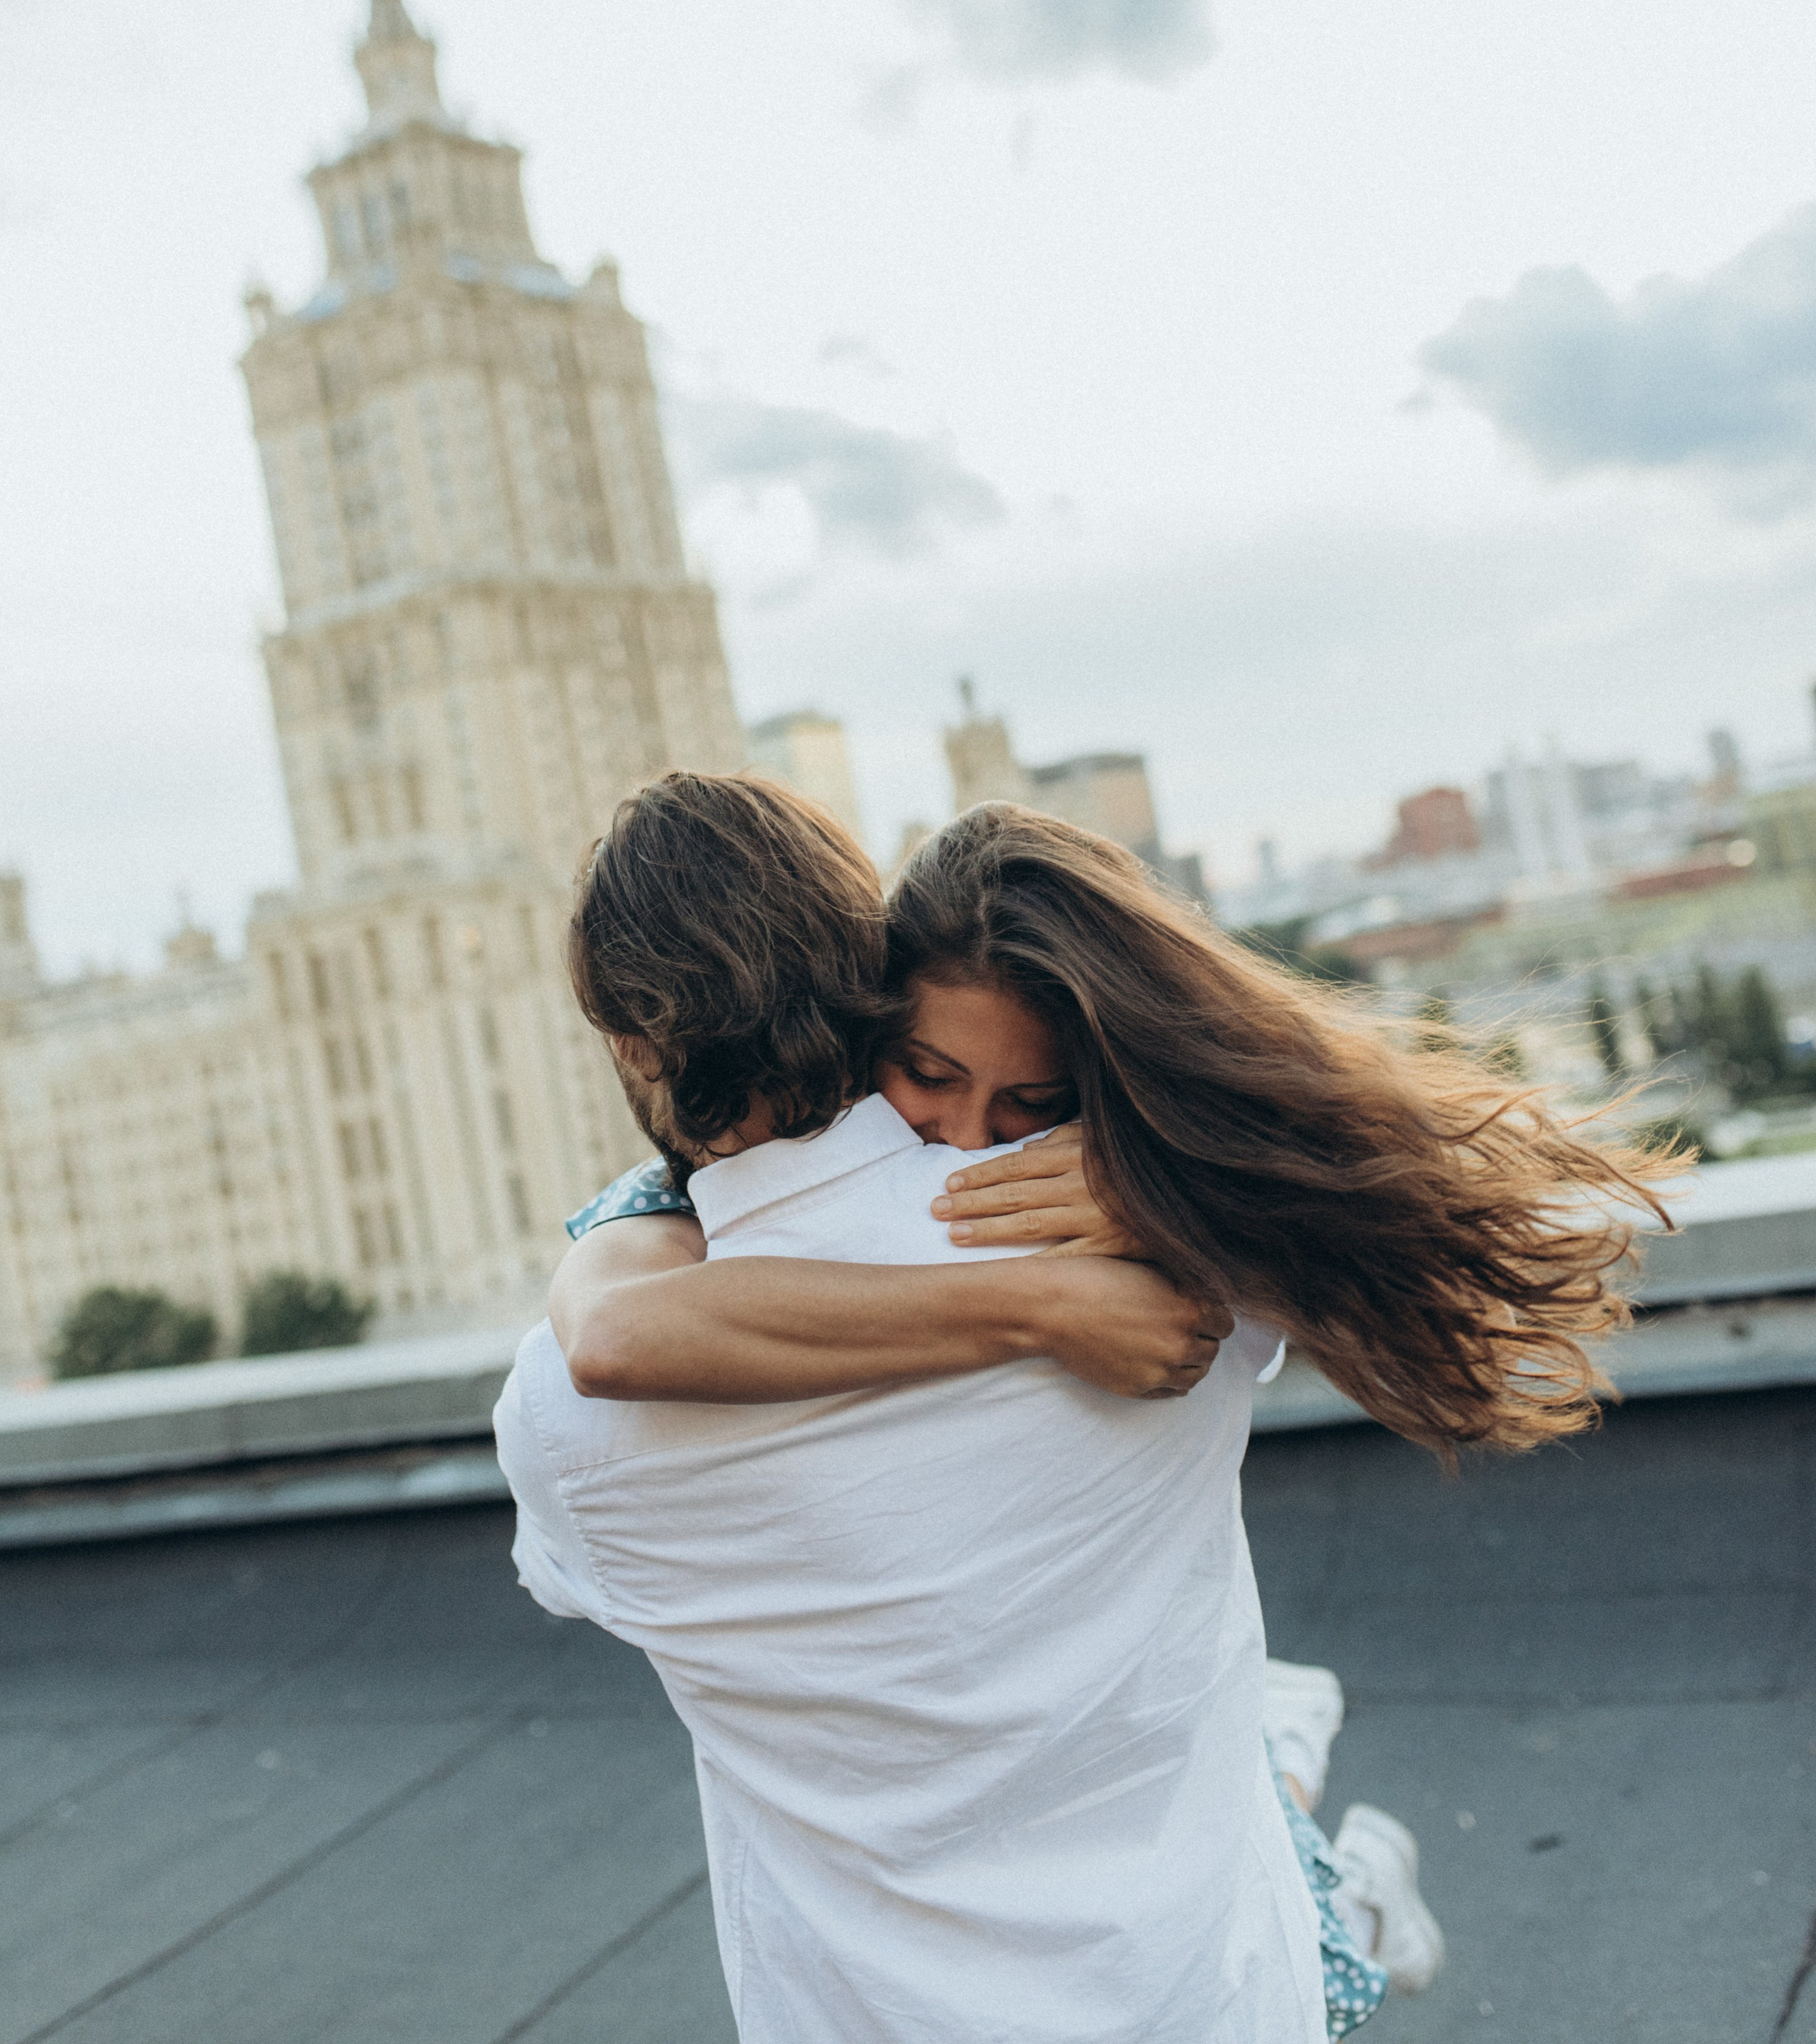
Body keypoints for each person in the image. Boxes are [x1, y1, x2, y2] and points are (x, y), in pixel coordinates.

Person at [504, 778, 1671, 2040]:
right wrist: (1136, 1226)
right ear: (867, 977)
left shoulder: (563, 1417)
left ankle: (1323, 1819)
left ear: (631, 1041)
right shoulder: (1157, 1250)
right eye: (933, 1076)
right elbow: (1432, 1206)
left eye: (1029, 1106)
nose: (968, 1143)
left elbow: (600, 1426)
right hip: (1216, 1991)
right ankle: (1324, 1820)